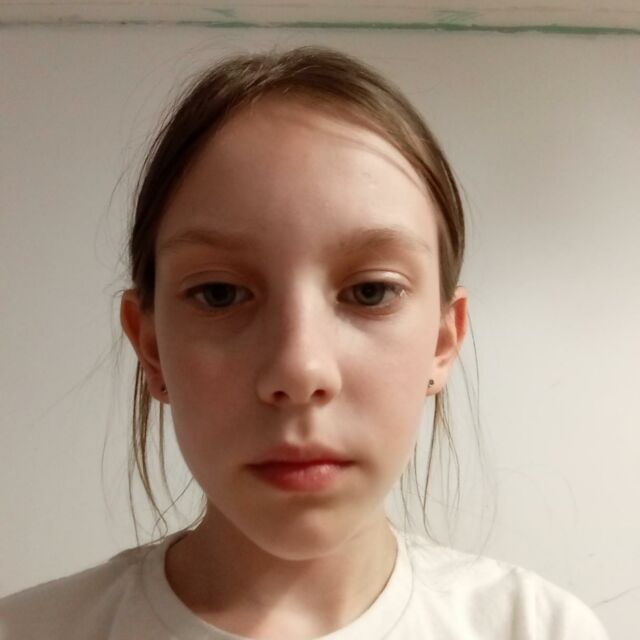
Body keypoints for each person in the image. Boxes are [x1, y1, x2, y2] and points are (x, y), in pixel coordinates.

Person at [0, 45, 609, 640]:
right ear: (151, 347)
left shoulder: (540, 629)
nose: (299, 369)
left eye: (371, 291)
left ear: (442, 343)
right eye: (219, 294)